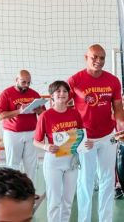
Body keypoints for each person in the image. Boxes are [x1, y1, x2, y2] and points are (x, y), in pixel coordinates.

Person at [68, 44, 124, 222]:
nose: (99, 61)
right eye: (95, 57)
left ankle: (105, 219)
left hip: (108, 136)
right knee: (86, 181)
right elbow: (64, 106)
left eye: (102, 58)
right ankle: (84, 219)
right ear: (86, 58)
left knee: (108, 180)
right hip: (85, 137)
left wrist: (122, 126)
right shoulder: (75, 80)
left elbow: (118, 108)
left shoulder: (113, 81)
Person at [33, 81, 93, 222]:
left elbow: (80, 136)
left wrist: (87, 143)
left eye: (65, 91)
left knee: (67, 200)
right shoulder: (46, 116)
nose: (62, 94)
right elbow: (36, 141)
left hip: (71, 161)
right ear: (52, 96)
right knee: (54, 201)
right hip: (54, 161)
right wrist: (46, 147)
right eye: (58, 91)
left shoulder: (75, 114)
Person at [0, 70, 44, 183]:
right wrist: (19, 111)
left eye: (28, 82)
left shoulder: (34, 94)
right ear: (16, 80)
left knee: (31, 164)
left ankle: (30, 190)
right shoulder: (6, 94)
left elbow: (43, 114)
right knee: (13, 164)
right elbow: (0, 116)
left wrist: (39, 110)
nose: (26, 85)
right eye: (23, 82)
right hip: (12, 133)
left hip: (31, 132)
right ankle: (14, 192)